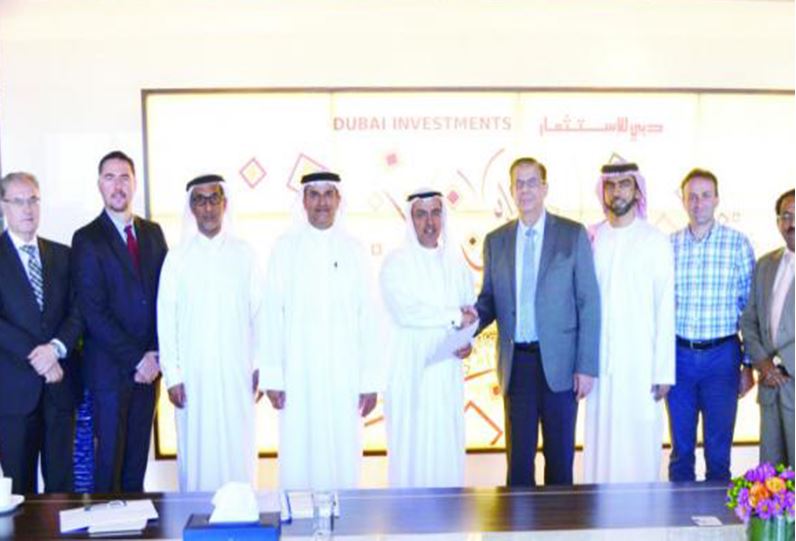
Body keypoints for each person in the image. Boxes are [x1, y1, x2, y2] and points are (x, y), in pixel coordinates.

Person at [475, 157, 600, 486]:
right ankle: (518, 521)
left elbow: (588, 302)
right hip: (516, 367)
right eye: (519, 183)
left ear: (545, 188)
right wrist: (468, 326)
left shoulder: (572, 235)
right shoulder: (495, 241)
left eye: (532, 182)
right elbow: (489, 300)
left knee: (559, 463)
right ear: (511, 190)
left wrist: (586, 366)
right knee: (518, 465)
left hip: (561, 367)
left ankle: (558, 521)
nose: (525, 189)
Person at [259, 171, 380, 490]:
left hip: (344, 375)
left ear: (339, 200)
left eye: (328, 194)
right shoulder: (285, 248)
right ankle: (299, 518)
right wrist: (272, 376)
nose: (322, 202)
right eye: (314, 194)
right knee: (299, 452)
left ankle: (344, 519)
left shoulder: (354, 250)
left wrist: (369, 381)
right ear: (304, 200)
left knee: (343, 452)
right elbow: (271, 314)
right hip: (298, 375)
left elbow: (368, 317)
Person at [157, 175, 264, 492]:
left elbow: (260, 313)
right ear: (191, 207)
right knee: (198, 452)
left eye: (213, 199)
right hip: (194, 376)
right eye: (200, 200)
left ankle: (242, 513)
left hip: (237, 372)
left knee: (237, 448)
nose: (208, 208)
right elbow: (166, 319)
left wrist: (260, 364)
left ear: (224, 203)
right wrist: (173, 375)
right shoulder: (177, 258)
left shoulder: (244, 253)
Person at [71, 151, 168, 492]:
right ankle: (106, 522)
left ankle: (136, 522)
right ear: (99, 185)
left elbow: (164, 298)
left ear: (135, 183)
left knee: (136, 465)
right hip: (110, 372)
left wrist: (155, 354)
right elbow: (93, 311)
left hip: (149, 372)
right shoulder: (86, 238)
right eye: (109, 177)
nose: (118, 185)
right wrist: (137, 358)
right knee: (109, 466)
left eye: (124, 177)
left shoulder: (153, 233)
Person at [583, 159, 675, 483]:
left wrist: (663, 370)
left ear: (637, 190)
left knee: (638, 446)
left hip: (642, 366)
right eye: (610, 185)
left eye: (624, 184)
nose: (617, 191)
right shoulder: (591, 240)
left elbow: (665, 307)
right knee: (600, 445)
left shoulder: (655, 240)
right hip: (599, 365)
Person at [380, 188, 476, 488]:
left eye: (436, 213)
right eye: (421, 214)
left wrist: (467, 342)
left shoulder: (457, 265)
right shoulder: (396, 263)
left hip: (446, 375)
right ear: (410, 219)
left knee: (445, 449)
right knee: (411, 452)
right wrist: (454, 316)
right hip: (409, 376)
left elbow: (470, 313)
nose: (430, 222)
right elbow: (406, 312)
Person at [667, 168, 756, 482]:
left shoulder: (737, 244)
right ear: (683, 201)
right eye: (692, 196)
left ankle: (717, 514)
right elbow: (659, 309)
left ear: (717, 199)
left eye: (705, 195)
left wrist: (748, 365)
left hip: (722, 358)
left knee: (718, 454)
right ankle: (679, 514)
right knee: (681, 453)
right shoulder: (669, 245)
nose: (698, 203)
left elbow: (750, 310)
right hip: (679, 357)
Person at [0, 172, 82, 494]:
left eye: (33, 199)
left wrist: (56, 349)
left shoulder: (63, 255)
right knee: (18, 490)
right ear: (3, 206)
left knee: (62, 489)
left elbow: (78, 310)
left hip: (60, 388)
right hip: (14, 393)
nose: (27, 208)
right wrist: (39, 356)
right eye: (18, 201)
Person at [741, 189, 794, 468]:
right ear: (778, 222)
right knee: (771, 478)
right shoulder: (765, 264)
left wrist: (783, 366)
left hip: (791, 379)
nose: (792, 223)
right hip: (769, 386)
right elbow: (749, 320)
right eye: (786, 216)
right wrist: (763, 364)